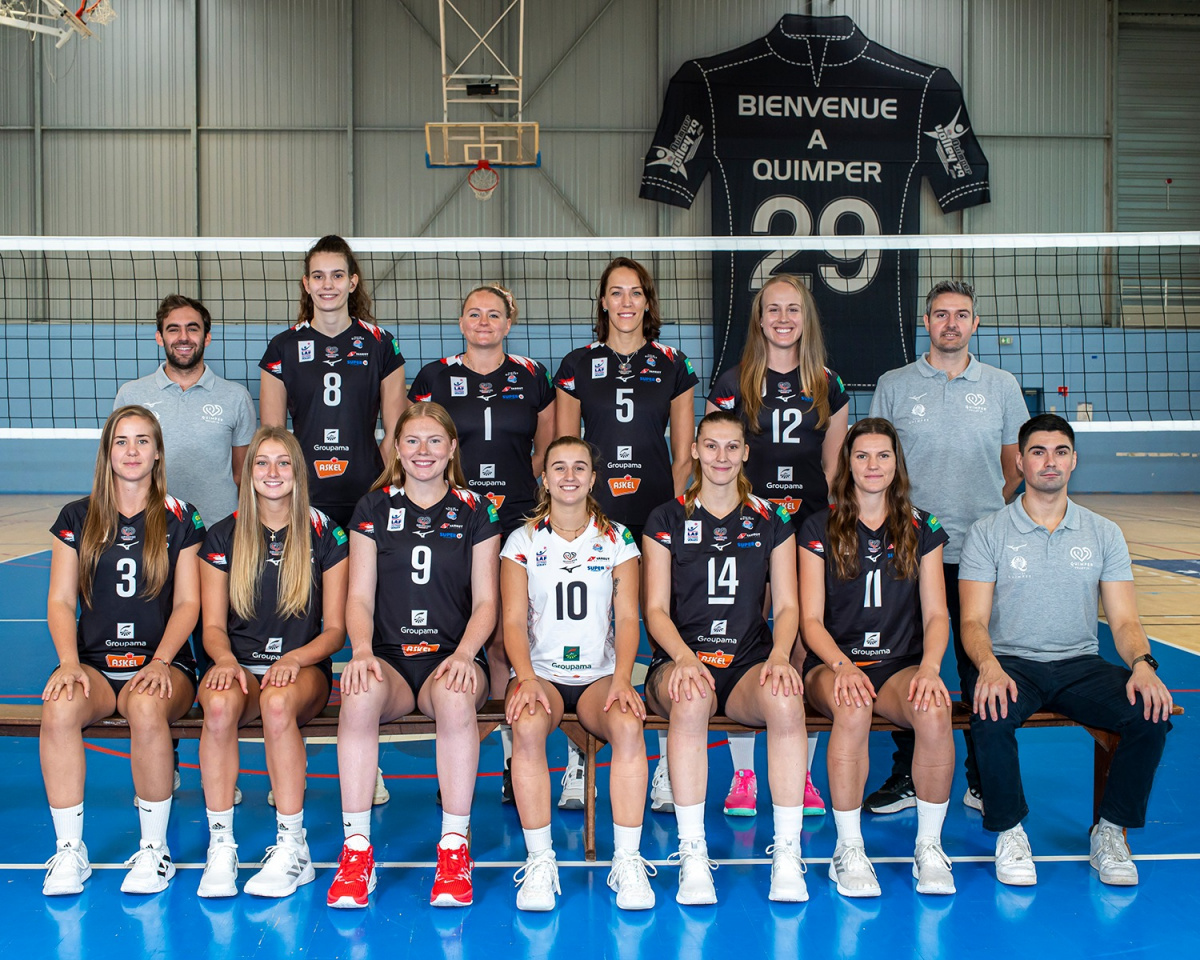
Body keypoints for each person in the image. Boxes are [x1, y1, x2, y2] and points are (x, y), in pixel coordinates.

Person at [959, 414, 1173, 887]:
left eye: (1060, 452)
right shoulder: (988, 531)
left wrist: (1142, 664)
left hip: (1079, 663)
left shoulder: (1103, 532)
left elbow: (1124, 621)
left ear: (1074, 460)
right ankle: (1010, 832)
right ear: (1020, 462)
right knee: (990, 711)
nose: (1049, 461)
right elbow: (972, 621)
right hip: (1011, 662)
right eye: (1038, 452)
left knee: (1150, 711)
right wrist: (988, 666)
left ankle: (1109, 831)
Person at [326, 402, 500, 909]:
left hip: (452, 656)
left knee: (455, 696)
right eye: (412, 441)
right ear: (397, 449)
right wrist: (361, 650)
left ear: (452, 448)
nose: (423, 451)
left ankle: (454, 850)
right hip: (391, 660)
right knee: (359, 695)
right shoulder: (373, 508)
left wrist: (466, 654)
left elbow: (487, 602)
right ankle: (356, 852)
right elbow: (359, 597)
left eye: (434, 440)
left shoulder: (477, 509)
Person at [864, 280, 1026, 816]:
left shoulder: (1001, 385)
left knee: (979, 663)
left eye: (961, 314)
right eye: (940, 314)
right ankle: (908, 776)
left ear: (975, 323)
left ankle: (983, 778)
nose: (950, 323)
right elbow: (877, 458)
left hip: (979, 552)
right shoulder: (894, 384)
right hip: (907, 550)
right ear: (926, 322)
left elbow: (1013, 466)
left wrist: (981, 513)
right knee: (905, 663)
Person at [642, 410, 809, 905]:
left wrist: (781, 655)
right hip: (679, 661)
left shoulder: (772, 518)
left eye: (732, 446)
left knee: (785, 701)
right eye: (711, 446)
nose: (721, 456)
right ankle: (692, 853)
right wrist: (682, 657)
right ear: (694, 450)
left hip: (746, 663)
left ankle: (787, 852)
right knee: (692, 699)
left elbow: (787, 605)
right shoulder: (666, 518)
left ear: (745, 453)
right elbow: (654, 610)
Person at [40, 405, 204, 896]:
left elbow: (189, 603)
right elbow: (61, 600)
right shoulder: (76, 516)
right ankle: (70, 850)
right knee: (59, 706)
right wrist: (69, 663)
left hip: (163, 664)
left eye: (142, 441)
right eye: (121, 441)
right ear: (107, 453)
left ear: (158, 453)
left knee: (148, 706)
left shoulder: (182, 517)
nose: (132, 451)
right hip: (93, 664)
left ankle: (155, 851)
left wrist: (161, 661)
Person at [553, 257, 697, 811]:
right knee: (586, 637)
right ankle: (578, 761)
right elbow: (564, 452)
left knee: (661, 636)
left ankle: (663, 766)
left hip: (654, 521)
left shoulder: (673, 364)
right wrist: (575, 520)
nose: (626, 302)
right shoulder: (576, 365)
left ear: (647, 302)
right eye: (616, 292)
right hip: (594, 522)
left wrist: (670, 520)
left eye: (636, 292)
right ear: (603, 302)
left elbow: (683, 456)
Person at [705, 274, 848, 819]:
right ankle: (744, 773)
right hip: (748, 527)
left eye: (793, 309)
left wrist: (821, 527)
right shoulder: (733, 381)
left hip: (807, 529)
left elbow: (834, 467)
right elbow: (718, 455)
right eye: (773, 309)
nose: (783, 318)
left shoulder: (828, 384)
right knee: (745, 639)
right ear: (759, 319)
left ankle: (802, 773)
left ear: (805, 318)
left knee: (806, 640)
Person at [798, 418, 955, 897]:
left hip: (897, 666)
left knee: (934, 709)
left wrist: (930, 668)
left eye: (882, 455)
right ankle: (848, 849)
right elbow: (810, 621)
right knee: (852, 706)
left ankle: (930, 847)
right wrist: (842, 666)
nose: (872, 465)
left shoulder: (923, 527)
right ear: (847, 463)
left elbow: (937, 614)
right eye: (862, 455)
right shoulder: (818, 526)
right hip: (833, 665)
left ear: (896, 463)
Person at [409, 285, 555, 798]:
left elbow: (546, 450)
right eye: (474, 313)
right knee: (467, 626)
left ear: (509, 323)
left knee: (508, 637)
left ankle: (513, 762)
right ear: (461, 322)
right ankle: (465, 762)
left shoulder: (532, 375)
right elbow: (417, 442)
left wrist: (513, 486)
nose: (484, 322)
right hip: (456, 519)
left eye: (495, 314)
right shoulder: (435, 376)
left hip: (516, 515)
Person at [195, 427, 349, 899]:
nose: (272, 472)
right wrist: (225, 660)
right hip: (240, 666)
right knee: (217, 705)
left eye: (283, 462)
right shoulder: (222, 535)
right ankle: (221, 846)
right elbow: (212, 627)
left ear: (298, 471)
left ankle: (292, 847)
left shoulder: (327, 533)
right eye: (262, 462)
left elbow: (335, 631)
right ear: (248, 473)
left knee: (278, 703)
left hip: (303, 670)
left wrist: (295, 658)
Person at [501, 436, 652, 912]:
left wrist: (623, 678)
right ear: (544, 479)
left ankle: (627, 860)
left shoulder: (618, 539)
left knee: (628, 724)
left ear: (593, 478)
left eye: (580, 467)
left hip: (598, 677)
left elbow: (628, 617)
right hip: (542, 674)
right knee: (527, 725)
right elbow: (512, 620)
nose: (569, 476)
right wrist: (525, 678)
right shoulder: (523, 540)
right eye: (559, 467)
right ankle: (540, 862)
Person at [260, 234, 407, 530]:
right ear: (307, 284)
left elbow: (398, 430)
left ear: (352, 282)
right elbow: (273, 435)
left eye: (337, 275)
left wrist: (377, 478)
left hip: (367, 491)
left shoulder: (380, 344)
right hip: (304, 492)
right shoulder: (283, 347)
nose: (327, 285)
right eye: (318, 276)